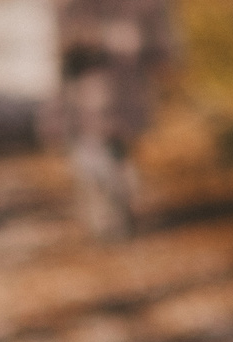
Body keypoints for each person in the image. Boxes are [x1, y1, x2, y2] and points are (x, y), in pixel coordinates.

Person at [55, 0, 171, 241]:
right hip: (93, 82)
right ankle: (109, 212)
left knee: (107, 149)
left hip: (113, 84)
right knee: (99, 149)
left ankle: (112, 211)